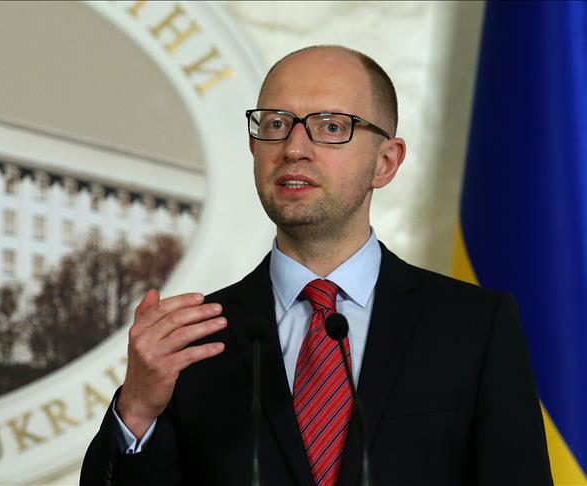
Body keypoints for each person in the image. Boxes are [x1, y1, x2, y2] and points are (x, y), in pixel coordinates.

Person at [80, 45, 553, 486]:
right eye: (276, 123)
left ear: (385, 162)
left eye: (330, 126)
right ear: (254, 148)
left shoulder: (474, 327)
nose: (294, 148)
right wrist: (136, 411)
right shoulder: (192, 342)